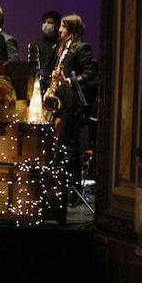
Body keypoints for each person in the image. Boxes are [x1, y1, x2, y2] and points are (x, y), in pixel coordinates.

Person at [49, 14, 98, 186]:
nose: (59, 29)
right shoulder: (62, 48)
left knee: (69, 143)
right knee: (62, 141)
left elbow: (89, 74)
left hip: (73, 102)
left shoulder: (82, 48)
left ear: (71, 30)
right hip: (62, 100)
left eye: (63, 26)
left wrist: (68, 80)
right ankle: (63, 184)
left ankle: (72, 186)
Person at [29, 10, 62, 91]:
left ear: (57, 25)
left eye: (50, 22)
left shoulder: (61, 43)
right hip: (38, 83)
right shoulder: (36, 43)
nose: (46, 25)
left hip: (55, 84)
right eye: (44, 22)